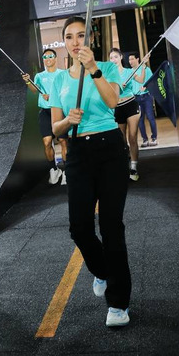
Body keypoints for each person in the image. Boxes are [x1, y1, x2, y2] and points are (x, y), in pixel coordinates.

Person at [49, 17, 131, 327]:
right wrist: (67, 121)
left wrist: (94, 68)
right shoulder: (58, 80)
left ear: (90, 39)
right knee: (79, 228)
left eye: (81, 35)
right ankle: (103, 271)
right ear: (64, 42)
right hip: (78, 153)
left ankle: (119, 303)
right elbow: (55, 128)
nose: (75, 41)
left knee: (111, 227)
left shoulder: (107, 68)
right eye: (69, 37)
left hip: (110, 149)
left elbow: (113, 102)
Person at [23, 48, 67, 185]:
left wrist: (53, 96)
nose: (47, 59)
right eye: (45, 57)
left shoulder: (63, 74)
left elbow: (67, 91)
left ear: (55, 58)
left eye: (50, 56)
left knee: (63, 141)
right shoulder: (39, 76)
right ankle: (54, 169)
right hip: (45, 112)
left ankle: (66, 171)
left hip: (59, 110)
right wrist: (28, 81)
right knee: (47, 142)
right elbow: (34, 90)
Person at [109, 49, 142, 181]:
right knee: (121, 140)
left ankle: (134, 167)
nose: (113, 60)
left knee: (132, 137)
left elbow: (141, 80)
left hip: (130, 105)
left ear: (121, 57)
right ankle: (125, 160)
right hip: (118, 108)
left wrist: (143, 65)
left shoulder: (129, 72)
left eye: (115, 57)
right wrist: (116, 88)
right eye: (111, 58)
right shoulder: (109, 75)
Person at [128, 53, 157, 148]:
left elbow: (152, 81)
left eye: (132, 59)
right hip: (136, 98)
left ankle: (154, 138)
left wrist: (146, 87)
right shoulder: (129, 72)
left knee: (150, 117)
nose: (130, 61)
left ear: (137, 59)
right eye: (129, 60)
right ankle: (145, 140)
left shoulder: (146, 69)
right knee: (140, 120)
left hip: (146, 96)